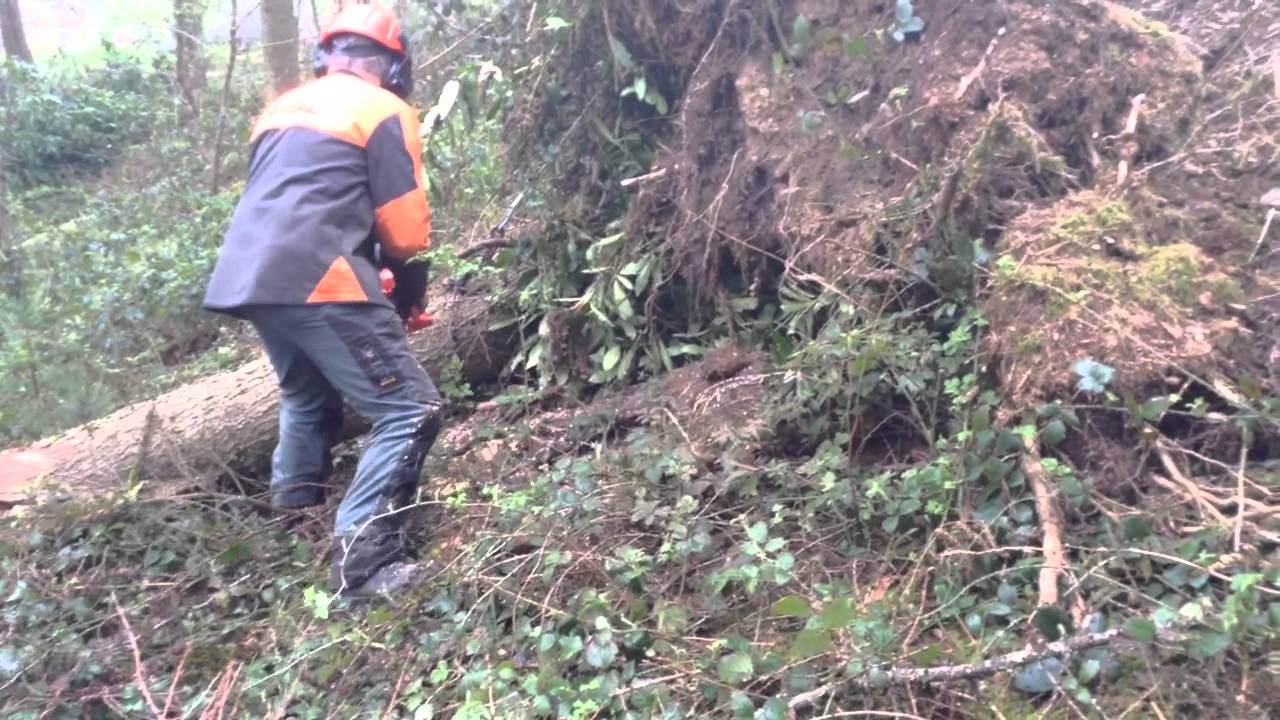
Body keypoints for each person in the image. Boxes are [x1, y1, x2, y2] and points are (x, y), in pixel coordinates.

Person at [203, 4, 441, 598]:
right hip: (318, 278)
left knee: (305, 397)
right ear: (392, 64)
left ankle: (294, 520)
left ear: (326, 57)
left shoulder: (280, 109)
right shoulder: (385, 109)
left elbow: (296, 198)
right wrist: (409, 294)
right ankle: (361, 568)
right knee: (409, 410)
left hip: (249, 277)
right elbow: (406, 235)